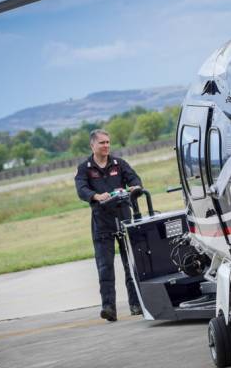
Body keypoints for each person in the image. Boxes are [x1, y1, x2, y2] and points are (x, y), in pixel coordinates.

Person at [74, 129, 143, 322]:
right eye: (102, 143)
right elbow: (81, 189)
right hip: (101, 223)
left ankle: (136, 304)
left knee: (131, 265)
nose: (106, 146)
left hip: (124, 219)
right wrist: (95, 196)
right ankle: (109, 308)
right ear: (92, 145)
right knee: (105, 267)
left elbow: (135, 180)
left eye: (108, 142)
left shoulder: (119, 164)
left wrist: (135, 187)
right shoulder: (84, 168)